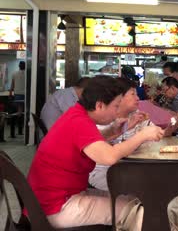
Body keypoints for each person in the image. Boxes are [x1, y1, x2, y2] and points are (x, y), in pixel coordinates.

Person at [26, 76, 165, 230]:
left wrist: (113, 131)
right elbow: (109, 157)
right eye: (115, 106)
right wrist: (143, 135)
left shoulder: (76, 115)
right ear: (99, 105)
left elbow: (87, 143)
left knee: (133, 200)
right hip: (57, 207)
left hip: (58, 198)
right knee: (135, 211)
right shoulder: (79, 122)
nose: (117, 112)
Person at [89, 78, 178, 191]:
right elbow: (108, 154)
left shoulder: (136, 115)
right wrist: (141, 136)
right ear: (119, 98)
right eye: (133, 94)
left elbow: (155, 133)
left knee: (167, 181)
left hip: (131, 169)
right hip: (106, 172)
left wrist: (170, 128)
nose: (137, 98)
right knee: (151, 188)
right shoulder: (101, 118)